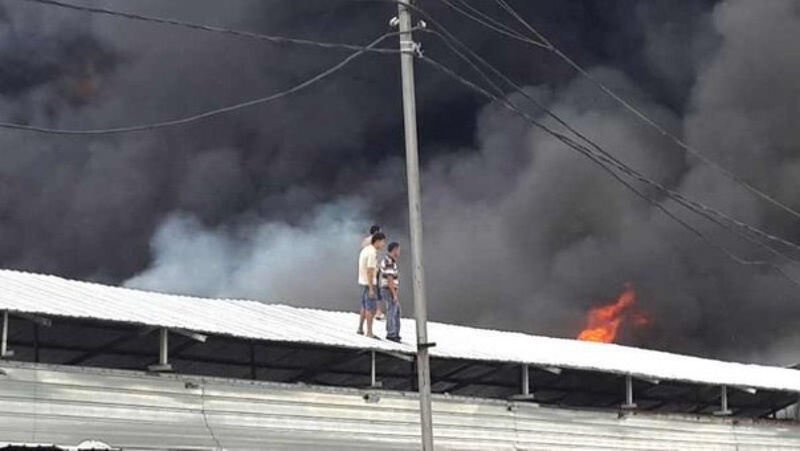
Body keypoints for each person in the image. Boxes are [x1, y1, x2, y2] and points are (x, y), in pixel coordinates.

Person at [357, 232, 386, 338]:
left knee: (364, 306)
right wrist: (371, 288)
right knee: (370, 308)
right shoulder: (372, 253)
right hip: (370, 283)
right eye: (383, 242)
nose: (383, 245)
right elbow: (370, 271)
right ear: (377, 241)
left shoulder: (365, 250)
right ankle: (369, 332)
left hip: (364, 281)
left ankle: (360, 328)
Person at [361, 224, 385, 320]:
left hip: (365, 267)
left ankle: (366, 311)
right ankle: (378, 312)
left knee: (367, 290)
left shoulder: (365, 241)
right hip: (374, 268)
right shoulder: (377, 241)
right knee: (378, 290)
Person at [379, 242, 401, 342]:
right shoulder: (389, 262)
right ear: (395, 249)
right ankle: (391, 333)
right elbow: (390, 279)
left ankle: (395, 332)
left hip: (389, 289)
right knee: (392, 310)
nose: (399, 252)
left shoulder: (391, 261)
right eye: (398, 250)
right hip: (388, 289)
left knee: (396, 310)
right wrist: (394, 294)